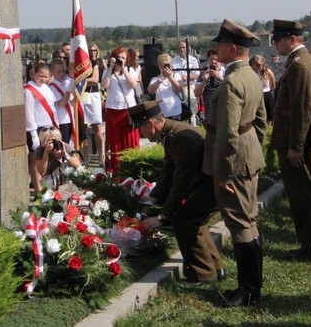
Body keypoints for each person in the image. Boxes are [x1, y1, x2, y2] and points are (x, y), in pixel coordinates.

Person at [204, 20, 266, 307]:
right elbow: (262, 120)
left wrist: (224, 173)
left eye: (219, 44)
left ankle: (248, 290)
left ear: (232, 48)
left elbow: (228, 133)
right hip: (249, 153)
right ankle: (251, 286)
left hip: (235, 162)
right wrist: (253, 147)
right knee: (249, 219)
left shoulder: (232, 82)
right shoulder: (251, 75)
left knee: (239, 223)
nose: (215, 48)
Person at [129, 101, 226, 284]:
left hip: (214, 184)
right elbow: (168, 171)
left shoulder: (180, 138)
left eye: (140, 129)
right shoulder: (171, 133)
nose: (139, 134)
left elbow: (181, 182)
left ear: (151, 124)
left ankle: (203, 273)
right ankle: (215, 267)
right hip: (208, 182)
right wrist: (151, 200)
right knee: (194, 219)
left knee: (184, 220)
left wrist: (162, 217)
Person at [271, 20, 311, 262]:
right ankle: (310, 244)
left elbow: (302, 109)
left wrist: (296, 146)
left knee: (304, 193)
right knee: (302, 191)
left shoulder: (300, 65)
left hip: (296, 140)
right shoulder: (298, 61)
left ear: (292, 39)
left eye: (279, 39)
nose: (275, 44)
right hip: (292, 137)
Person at [101, 47, 139, 174]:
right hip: (113, 110)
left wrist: (123, 69)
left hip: (128, 110)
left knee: (129, 139)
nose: (121, 60)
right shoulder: (108, 72)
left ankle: (132, 165)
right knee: (115, 139)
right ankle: (115, 167)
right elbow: (105, 85)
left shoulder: (130, 70)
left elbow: (133, 85)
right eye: (119, 58)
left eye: (123, 58)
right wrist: (111, 68)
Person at [24, 61, 58, 195]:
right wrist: (33, 135)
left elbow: (52, 109)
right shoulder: (29, 89)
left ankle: (48, 188)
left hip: (49, 128)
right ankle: (38, 190)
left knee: (47, 159)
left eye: (45, 76)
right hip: (36, 129)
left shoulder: (47, 88)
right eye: (40, 75)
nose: (43, 79)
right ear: (34, 74)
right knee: (36, 160)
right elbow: (29, 114)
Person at [83, 44, 105, 163]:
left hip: (94, 95)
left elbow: (95, 79)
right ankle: (86, 157)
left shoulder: (98, 62)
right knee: (84, 128)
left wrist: (81, 81)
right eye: (90, 50)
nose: (92, 52)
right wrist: (86, 81)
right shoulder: (82, 63)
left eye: (94, 50)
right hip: (83, 95)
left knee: (97, 127)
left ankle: (101, 156)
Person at [147, 53, 183, 120]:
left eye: (166, 66)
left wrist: (170, 77)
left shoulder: (176, 76)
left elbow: (178, 89)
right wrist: (161, 79)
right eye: (162, 66)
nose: (164, 68)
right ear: (159, 66)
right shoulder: (155, 79)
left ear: (170, 66)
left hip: (175, 112)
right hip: (161, 114)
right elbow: (150, 91)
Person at [195, 49, 225, 125]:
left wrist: (219, 77)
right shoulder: (202, 75)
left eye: (216, 59)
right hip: (210, 111)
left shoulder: (226, 72)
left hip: (224, 109)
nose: (214, 61)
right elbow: (197, 93)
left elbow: (232, 86)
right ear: (208, 60)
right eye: (211, 59)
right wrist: (204, 81)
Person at [49, 58, 74, 145]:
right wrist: (70, 88)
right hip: (62, 122)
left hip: (71, 119)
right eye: (58, 71)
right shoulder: (52, 87)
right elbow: (62, 103)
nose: (62, 74)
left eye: (63, 71)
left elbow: (73, 102)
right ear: (51, 72)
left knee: (71, 146)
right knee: (64, 146)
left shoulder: (66, 83)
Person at [249, 55, 276, 124]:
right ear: (251, 65)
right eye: (256, 66)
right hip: (255, 96)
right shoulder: (249, 73)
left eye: (259, 66)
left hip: (267, 95)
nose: (258, 68)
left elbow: (273, 86)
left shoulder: (268, 72)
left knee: (269, 117)